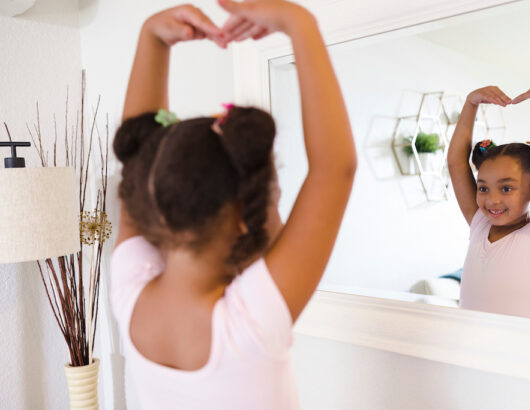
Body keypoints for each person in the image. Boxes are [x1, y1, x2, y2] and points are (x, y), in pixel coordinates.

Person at [110, 1, 356, 408]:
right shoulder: (248, 324)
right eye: (273, 199)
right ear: (243, 217)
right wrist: (300, 22)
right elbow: (335, 169)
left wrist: (151, 40)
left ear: (152, 197)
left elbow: (137, 156)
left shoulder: (130, 293)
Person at [447, 84, 530, 318]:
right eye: (483, 188)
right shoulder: (480, 224)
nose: (492, 199)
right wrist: (471, 103)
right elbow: (456, 164)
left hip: (518, 349)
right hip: (473, 347)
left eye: (506, 188)